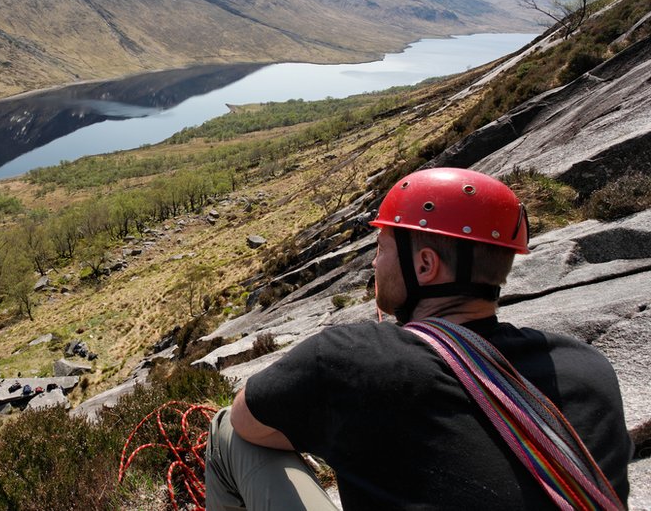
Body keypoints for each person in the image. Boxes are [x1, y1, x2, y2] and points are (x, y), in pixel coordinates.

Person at [205, 168, 632, 510]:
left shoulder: (348, 358)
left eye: (383, 246)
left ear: (425, 265)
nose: (375, 262)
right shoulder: (588, 369)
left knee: (227, 430)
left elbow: (249, 422)